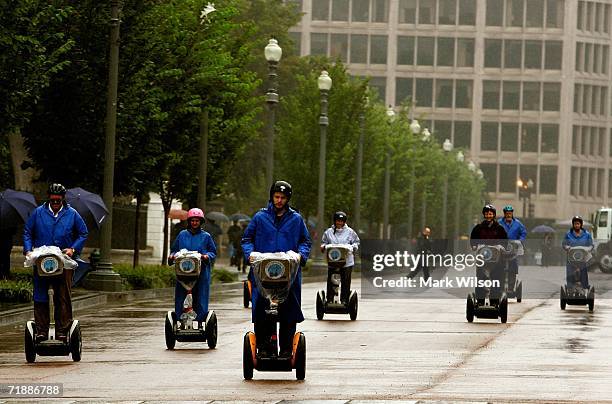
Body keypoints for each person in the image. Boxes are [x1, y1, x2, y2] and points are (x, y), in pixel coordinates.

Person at [241, 180, 311, 357]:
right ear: (272, 197)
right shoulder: (260, 217)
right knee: (263, 309)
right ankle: (264, 347)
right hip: (263, 272)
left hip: (288, 273)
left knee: (288, 311)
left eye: (283, 198)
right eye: (276, 197)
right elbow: (247, 239)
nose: (279, 201)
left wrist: (300, 255)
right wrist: (250, 254)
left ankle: (287, 349)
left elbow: (305, 241)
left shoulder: (295, 219)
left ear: (288, 199)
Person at [23, 183, 88, 342]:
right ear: (49, 198)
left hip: (63, 261)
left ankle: (62, 330)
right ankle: (41, 331)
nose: (55, 203)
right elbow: (27, 232)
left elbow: (83, 233)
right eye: (53, 200)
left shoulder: (72, 214)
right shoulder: (38, 213)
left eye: (58, 201)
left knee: (62, 296)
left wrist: (73, 249)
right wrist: (28, 250)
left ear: (63, 199)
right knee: (40, 296)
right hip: (42, 261)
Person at [169, 208, 216, 327]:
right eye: (192, 220)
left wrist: (206, 256)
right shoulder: (182, 234)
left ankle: (200, 321)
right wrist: (172, 256)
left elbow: (213, 252)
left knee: (200, 296)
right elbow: (174, 250)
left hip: (201, 272)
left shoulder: (206, 236)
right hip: (183, 272)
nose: (194, 223)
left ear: (201, 222)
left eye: (197, 221)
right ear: (189, 221)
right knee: (181, 295)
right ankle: (181, 320)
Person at [469, 204, 508, 303]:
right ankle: (480, 299)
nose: (488, 215)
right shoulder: (478, 228)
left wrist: (502, 247)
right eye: (486, 213)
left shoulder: (499, 228)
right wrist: (474, 246)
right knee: (481, 278)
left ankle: (494, 300)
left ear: (494, 215)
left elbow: (504, 241)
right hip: (482, 257)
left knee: (496, 278)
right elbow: (473, 239)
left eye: (490, 214)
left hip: (496, 258)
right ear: (484, 215)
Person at [320, 211, 360, 304]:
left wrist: (353, 247)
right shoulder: (328, 232)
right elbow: (323, 242)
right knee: (331, 280)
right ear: (334, 221)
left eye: (341, 221)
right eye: (338, 221)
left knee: (345, 282)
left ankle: (344, 300)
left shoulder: (350, 232)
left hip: (347, 262)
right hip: (333, 260)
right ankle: (329, 299)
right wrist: (323, 247)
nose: (339, 223)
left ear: (344, 222)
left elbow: (356, 242)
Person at [497, 205, 527, 289]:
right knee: (499, 265)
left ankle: (511, 286)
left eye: (510, 213)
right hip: (501, 247)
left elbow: (523, 233)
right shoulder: (499, 222)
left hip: (513, 247)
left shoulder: (518, 223)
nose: (508, 215)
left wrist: (520, 240)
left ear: (512, 214)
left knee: (512, 266)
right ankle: (499, 285)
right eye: (507, 213)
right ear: (504, 214)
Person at [562, 215, 593, 289]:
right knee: (570, 272)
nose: (576, 225)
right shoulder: (568, 234)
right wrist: (567, 247)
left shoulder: (587, 234)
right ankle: (569, 288)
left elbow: (591, 245)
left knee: (584, 272)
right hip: (571, 258)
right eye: (575, 223)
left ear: (581, 224)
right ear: (573, 224)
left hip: (582, 258)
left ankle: (585, 287)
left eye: (578, 223)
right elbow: (564, 244)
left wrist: (588, 248)